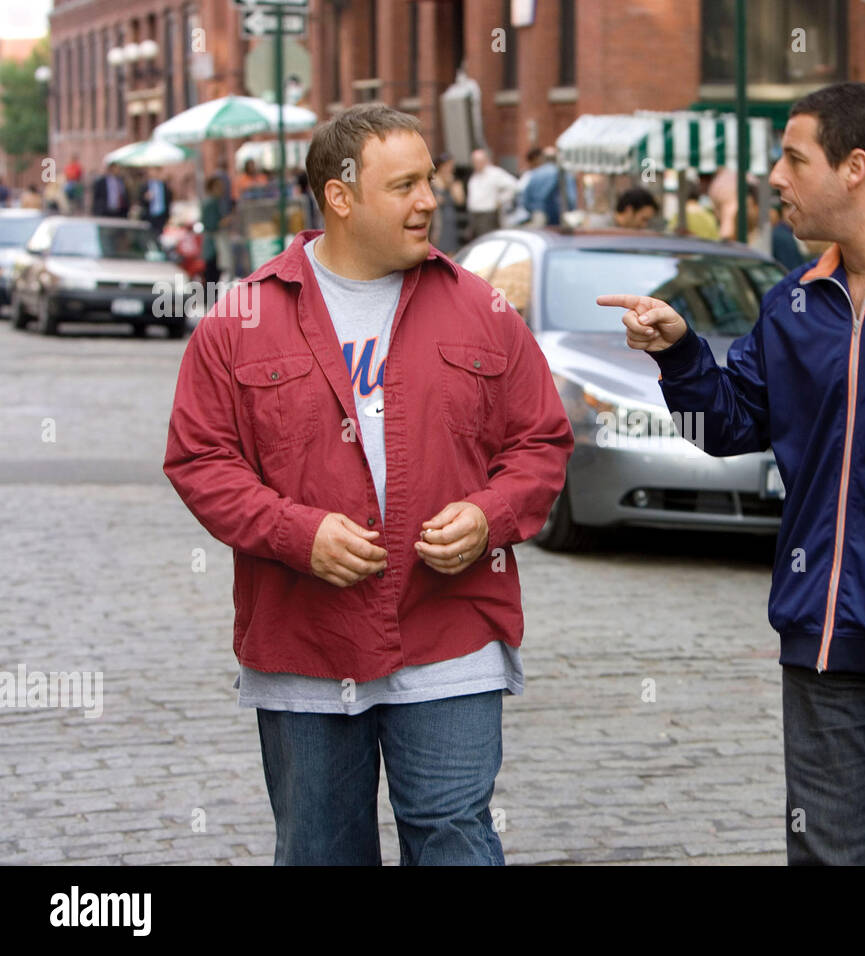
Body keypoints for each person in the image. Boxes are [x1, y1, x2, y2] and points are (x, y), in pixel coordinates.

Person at [600, 81, 865, 866]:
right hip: (827, 638)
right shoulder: (792, 302)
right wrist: (679, 354)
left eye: (793, 158)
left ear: (855, 168)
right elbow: (724, 427)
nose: (775, 177)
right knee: (831, 857)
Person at [163, 102, 574, 866]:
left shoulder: (482, 309)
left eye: (431, 181)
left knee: (454, 837)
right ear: (340, 197)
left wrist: (489, 516)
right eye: (406, 185)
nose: (430, 201)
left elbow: (542, 442)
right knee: (321, 850)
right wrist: (297, 533)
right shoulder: (241, 318)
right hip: (307, 642)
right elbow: (200, 460)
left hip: (451, 631)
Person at [466, 148, 518, 239]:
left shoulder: (494, 173)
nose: (476, 164)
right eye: (474, 161)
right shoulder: (474, 176)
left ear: (485, 160)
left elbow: (513, 186)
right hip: (475, 216)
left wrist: (500, 200)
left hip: (488, 215)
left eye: (479, 161)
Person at [519, 146, 576, 227]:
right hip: (560, 216)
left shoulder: (535, 174)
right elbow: (571, 198)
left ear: (543, 158)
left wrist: (533, 210)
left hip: (539, 215)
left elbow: (525, 198)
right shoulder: (564, 174)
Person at [429, 152, 465, 253]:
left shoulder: (454, 180)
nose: (450, 168)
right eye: (448, 165)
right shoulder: (433, 180)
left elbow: (460, 200)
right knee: (439, 246)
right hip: (438, 219)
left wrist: (451, 184)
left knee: (452, 248)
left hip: (451, 219)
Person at [143, 167, 172, 235]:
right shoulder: (145, 186)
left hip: (161, 215)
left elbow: (168, 200)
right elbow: (140, 201)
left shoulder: (164, 185)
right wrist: (145, 198)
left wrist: (168, 216)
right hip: (149, 216)